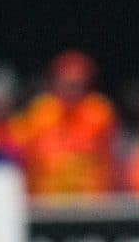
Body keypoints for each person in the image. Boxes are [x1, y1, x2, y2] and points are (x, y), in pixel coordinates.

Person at [23, 50, 118, 195]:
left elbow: (110, 160)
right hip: (48, 202)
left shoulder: (100, 113)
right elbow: (29, 161)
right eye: (66, 82)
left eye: (76, 83)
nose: (71, 89)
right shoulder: (40, 113)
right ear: (55, 82)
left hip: (90, 203)